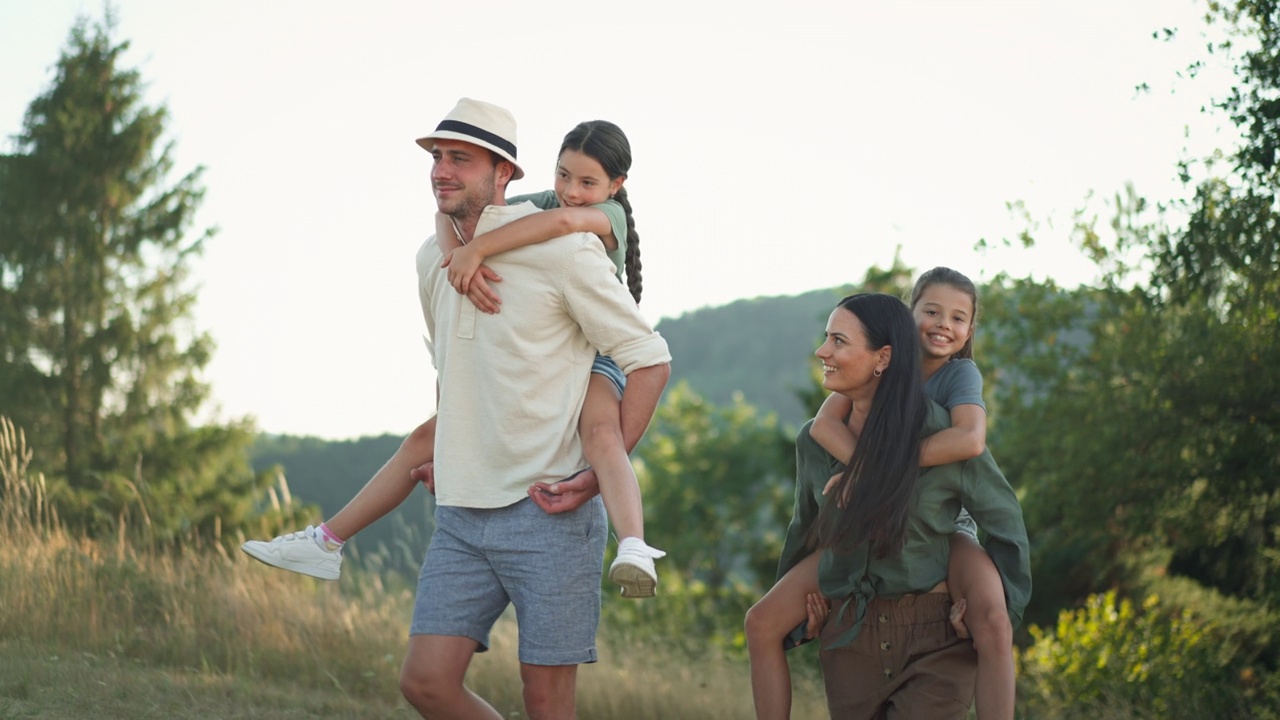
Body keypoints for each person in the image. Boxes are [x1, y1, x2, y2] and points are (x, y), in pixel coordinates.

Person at [267, 97, 671, 720]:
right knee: (426, 683)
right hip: (461, 513)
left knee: (548, 703)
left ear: (504, 172)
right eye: (437, 157)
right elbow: (447, 370)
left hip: (549, 513)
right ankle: (325, 541)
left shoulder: (568, 246)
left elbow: (650, 358)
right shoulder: (433, 258)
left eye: (460, 158)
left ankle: (634, 542)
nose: (441, 170)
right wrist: (448, 446)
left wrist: (595, 475)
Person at [745, 293, 1030, 719]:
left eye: (839, 341)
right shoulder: (816, 439)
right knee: (759, 622)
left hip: (936, 596)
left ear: (883, 358)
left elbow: (1005, 520)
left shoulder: (940, 433)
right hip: (852, 612)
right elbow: (806, 526)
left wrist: (999, 605)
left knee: (991, 622)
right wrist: (804, 616)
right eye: (827, 338)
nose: (823, 351)